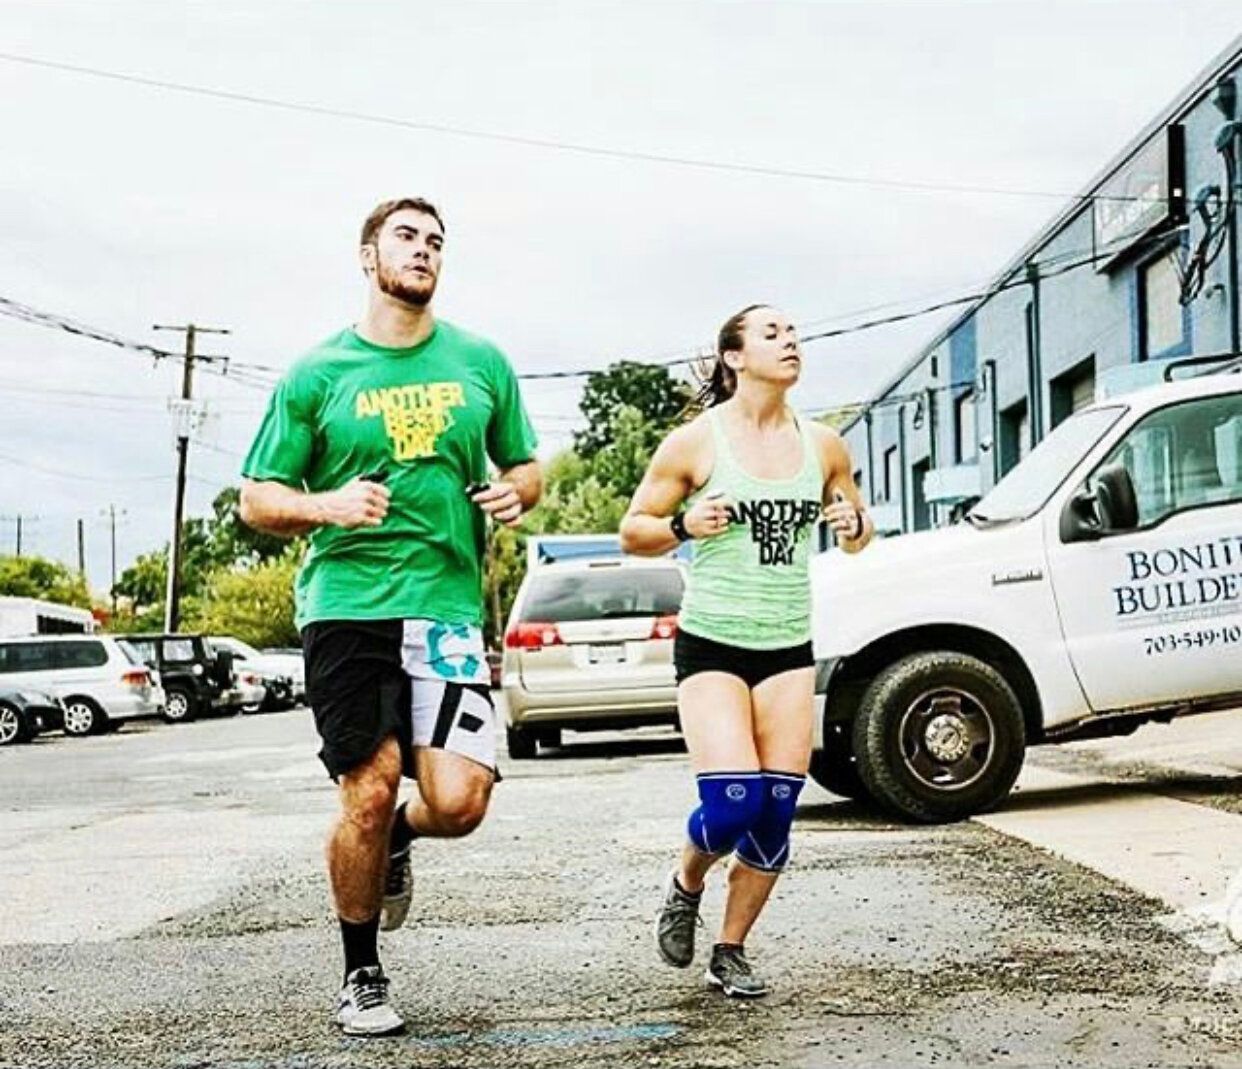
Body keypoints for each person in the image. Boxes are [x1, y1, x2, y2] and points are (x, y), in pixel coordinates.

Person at [239, 197, 541, 1036]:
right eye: (407, 237)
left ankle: (400, 840)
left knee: (460, 801)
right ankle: (361, 971)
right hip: (347, 608)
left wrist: (519, 489)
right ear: (368, 254)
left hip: (443, 608)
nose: (424, 250)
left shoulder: (480, 361)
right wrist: (328, 504)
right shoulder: (318, 373)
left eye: (436, 241)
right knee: (366, 791)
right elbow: (257, 498)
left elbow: (526, 464)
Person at [619, 303, 872, 998]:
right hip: (714, 645)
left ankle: (730, 949)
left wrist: (853, 522)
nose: (790, 340)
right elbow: (633, 529)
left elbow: (857, 531)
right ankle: (686, 879)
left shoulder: (822, 443)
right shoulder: (696, 444)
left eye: (794, 331)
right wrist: (683, 522)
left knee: (775, 815)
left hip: (788, 645)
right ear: (733, 356)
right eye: (772, 333)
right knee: (732, 806)